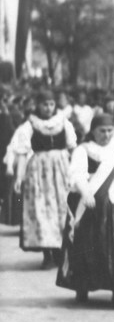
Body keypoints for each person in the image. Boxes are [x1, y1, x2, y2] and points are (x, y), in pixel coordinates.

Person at [56, 113, 114, 310]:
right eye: (101, 131)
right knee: (87, 243)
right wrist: (85, 192)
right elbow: (76, 174)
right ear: (93, 131)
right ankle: (83, 286)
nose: (106, 135)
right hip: (91, 202)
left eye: (109, 131)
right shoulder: (83, 150)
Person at [10, 90, 77, 268]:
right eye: (44, 104)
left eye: (51, 104)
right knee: (42, 212)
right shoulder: (30, 125)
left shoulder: (64, 123)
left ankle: (60, 253)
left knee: (61, 210)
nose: (48, 108)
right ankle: (47, 255)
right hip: (39, 173)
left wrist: (76, 171)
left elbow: (73, 149)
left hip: (61, 169)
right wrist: (19, 177)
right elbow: (23, 153)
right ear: (38, 105)